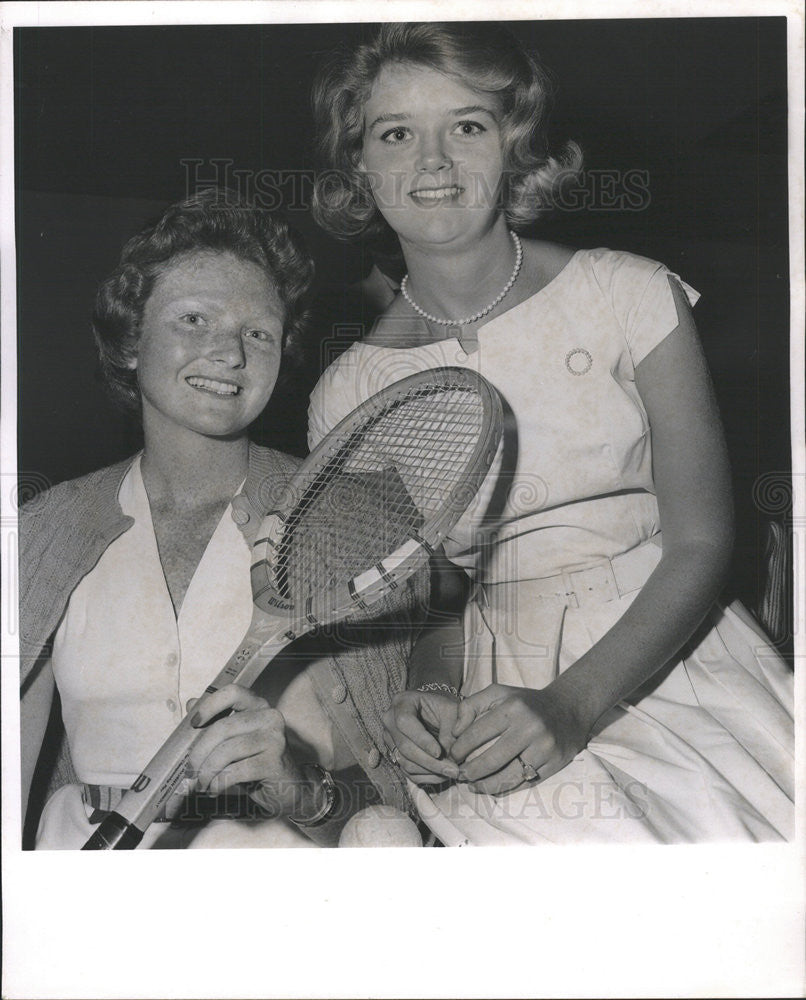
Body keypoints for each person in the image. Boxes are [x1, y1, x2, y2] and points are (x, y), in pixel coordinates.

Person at [308, 22, 794, 844]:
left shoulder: (628, 295)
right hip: (499, 691)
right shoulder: (348, 393)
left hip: (676, 654)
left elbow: (704, 542)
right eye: (396, 133)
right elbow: (441, 595)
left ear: (515, 144)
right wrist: (430, 697)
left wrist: (570, 708)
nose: (432, 161)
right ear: (360, 164)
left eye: (467, 125)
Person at [19, 190, 419, 849]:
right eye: (194, 319)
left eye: (258, 332)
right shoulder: (41, 533)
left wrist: (305, 792)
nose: (230, 352)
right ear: (129, 340)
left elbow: (395, 803)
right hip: (83, 887)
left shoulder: (349, 519)